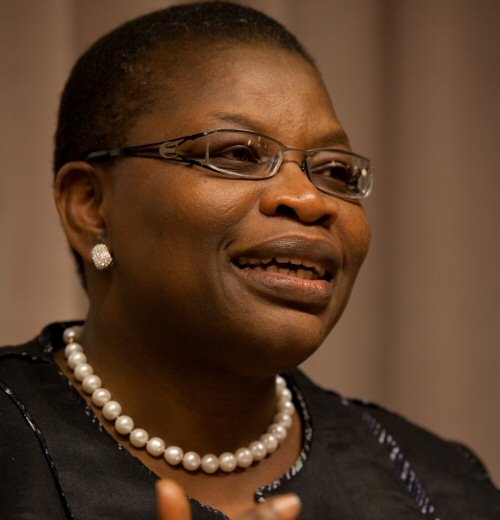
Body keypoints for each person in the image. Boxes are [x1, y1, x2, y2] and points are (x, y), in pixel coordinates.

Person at [0, 2, 498, 519]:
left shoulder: (439, 488)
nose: (310, 200)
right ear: (91, 206)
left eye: (335, 171)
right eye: (238, 154)